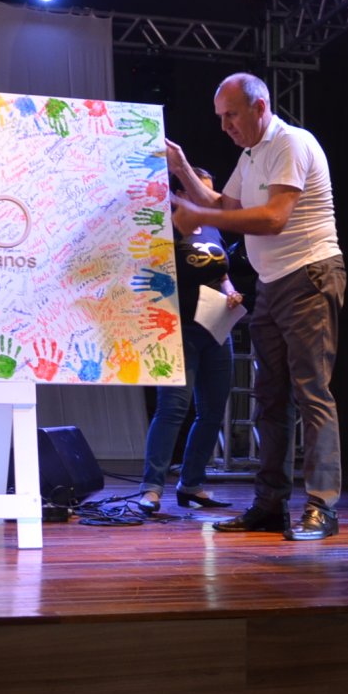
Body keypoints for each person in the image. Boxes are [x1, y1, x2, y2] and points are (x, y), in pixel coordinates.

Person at [166, 72, 347, 541]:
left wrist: (201, 215)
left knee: (311, 392)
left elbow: (273, 217)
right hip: (272, 283)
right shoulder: (251, 154)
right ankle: (270, 505)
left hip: (309, 275)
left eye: (231, 115)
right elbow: (225, 205)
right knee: (269, 397)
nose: (225, 126)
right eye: (219, 117)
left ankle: (322, 507)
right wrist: (182, 168)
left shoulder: (290, 142)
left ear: (259, 107)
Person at [137, 166, 242, 514]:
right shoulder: (166, 229)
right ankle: (152, 488)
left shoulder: (212, 227)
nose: (206, 198)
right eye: (198, 191)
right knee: (172, 409)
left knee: (212, 412)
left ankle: (192, 484)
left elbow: (222, 272)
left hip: (216, 325)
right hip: (179, 328)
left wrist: (230, 291)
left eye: (208, 192)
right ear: (181, 194)